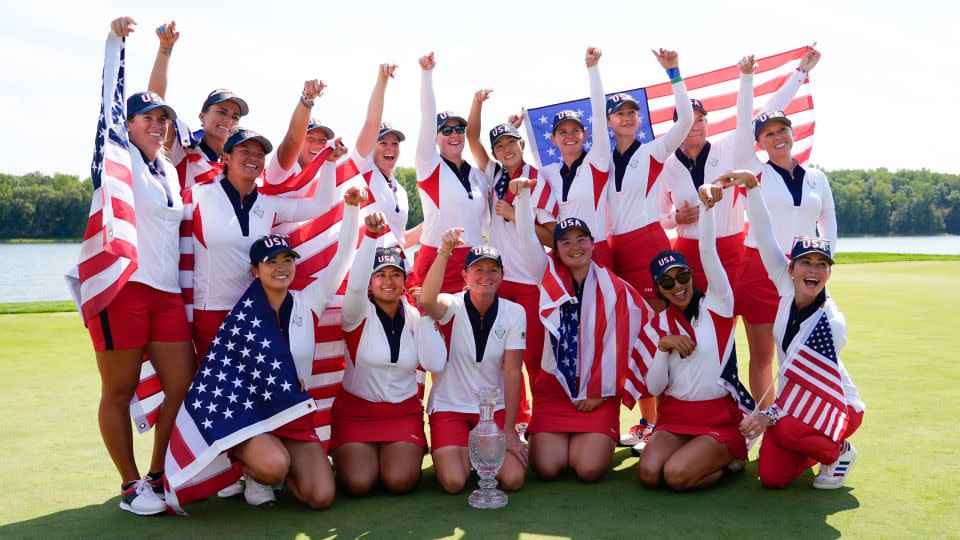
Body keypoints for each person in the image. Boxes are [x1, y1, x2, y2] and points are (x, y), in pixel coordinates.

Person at [82, 17, 196, 515]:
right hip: (123, 288)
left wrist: (168, 51)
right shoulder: (117, 156)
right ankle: (131, 486)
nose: (157, 124)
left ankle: (157, 474)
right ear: (126, 126)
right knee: (120, 388)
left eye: (163, 120)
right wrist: (116, 43)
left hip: (166, 293)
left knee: (180, 384)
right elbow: (114, 95)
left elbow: (162, 108)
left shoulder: (168, 167)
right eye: (146, 118)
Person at [724, 170, 864, 490]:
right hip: (795, 403)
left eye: (821, 264)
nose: (813, 270)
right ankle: (811, 447)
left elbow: (805, 383)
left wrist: (768, 416)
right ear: (791, 268)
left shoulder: (831, 323)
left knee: (785, 430)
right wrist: (754, 186)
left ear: (828, 271)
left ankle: (837, 451)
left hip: (835, 404)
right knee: (772, 477)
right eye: (806, 262)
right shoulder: (786, 287)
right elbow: (762, 231)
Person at [226, 187, 364, 508]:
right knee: (272, 464)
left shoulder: (308, 301)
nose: (280, 267)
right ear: (255, 270)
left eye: (287, 259)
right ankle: (257, 470)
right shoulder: (241, 315)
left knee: (322, 496)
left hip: (297, 417)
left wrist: (352, 209)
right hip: (256, 419)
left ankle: (284, 470)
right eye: (270, 261)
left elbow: (343, 256)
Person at [511, 178, 651, 483]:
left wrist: (599, 392)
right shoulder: (546, 276)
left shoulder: (616, 290)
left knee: (587, 469)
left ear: (592, 243)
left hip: (598, 391)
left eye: (581, 239)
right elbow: (526, 240)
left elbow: (627, 342)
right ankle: (564, 437)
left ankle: (590, 434)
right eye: (566, 241)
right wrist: (522, 198)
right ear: (556, 249)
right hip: (555, 388)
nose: (575, 247)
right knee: (547, 468)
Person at [658, 49, 819, 292]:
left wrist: (801, 72)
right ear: (679, 125)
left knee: (728, 321)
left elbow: (769, 111)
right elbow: (660, 218)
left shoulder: (729, 147)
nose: (696, 125)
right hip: (688, 252)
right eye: (689, 120)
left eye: (701, 119)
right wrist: (675, 219)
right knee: (693, 322)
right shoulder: (666, 165)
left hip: (732, 249)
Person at [634, 184, 755, 491]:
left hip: (716, 417)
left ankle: (728, 462)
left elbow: (709, 253)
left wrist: (709, 210)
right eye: (667, 282)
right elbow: (654, 387)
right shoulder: (657, 325)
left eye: (682, 276)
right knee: (649, 473)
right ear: (659, 289)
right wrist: (664, 346)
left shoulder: (718, 304)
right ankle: (696, 458)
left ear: (691, 274)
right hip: (676, 417)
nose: (677, 286)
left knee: (675, 476)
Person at [734, 57, 836, 408]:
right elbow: (744, 118)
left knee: (798, 350)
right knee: (764, 355)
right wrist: (748, 78)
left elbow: (829, 225)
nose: (777, 137)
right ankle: (766, 420)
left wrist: (824, 266)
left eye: (782, 131)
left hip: (805, 270)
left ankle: (797, 416)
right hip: (759, 270)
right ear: (759, 142)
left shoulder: (817, 177)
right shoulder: (753, 171)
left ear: (793, 134)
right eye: (768, 134)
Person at [186, 129, 341, 362]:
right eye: (245, 151)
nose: (253, 158)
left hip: (255, 312)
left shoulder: (268, 204)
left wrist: (329, 163)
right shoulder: (197, 195)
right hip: (209, 312)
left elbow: (321, 205)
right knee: (214, 395)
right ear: (226, 157)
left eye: (259, 154)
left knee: (252, 394)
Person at [604, 48, 693, 450]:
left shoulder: (653, 151)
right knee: (638, 338)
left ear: (639, 119)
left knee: (666, 329)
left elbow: (687, 118)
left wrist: (674, 73)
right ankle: (647, 421)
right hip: (617, 250)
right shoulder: (601, 158)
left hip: (651, 247)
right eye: (619, 113)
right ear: (608, 121)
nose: (627, 118)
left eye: (632, 113)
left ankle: (672, 422)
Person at [330, 212, 447, 495]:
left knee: (399, 481)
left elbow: (435, 362)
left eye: (395, 274)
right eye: (380, 275)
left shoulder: (415, 316)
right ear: (370, 282)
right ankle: (355, 460)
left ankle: (390, 456)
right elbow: (354, 286)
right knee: (359, 484)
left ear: (405, 280)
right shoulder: (356, 313)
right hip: (356, 413)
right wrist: (370, 236)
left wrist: (428, 313)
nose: (388, 281)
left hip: (402, 413)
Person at [466, 90, 560, 433]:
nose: (507, 149)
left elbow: (552, 237)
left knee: (534, 354)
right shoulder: (493, 174)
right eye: (500, 146)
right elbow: (471, 137)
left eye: (512, 143)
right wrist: (477, 102)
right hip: (502, 281)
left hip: (533, 280)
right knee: (505, 355)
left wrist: (515, 216)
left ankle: (542, 420)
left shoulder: (538, 180)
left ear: (522, 144)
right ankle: (518, 419)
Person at [419, 234, 527, 493]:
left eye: (493, 270)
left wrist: (510, 430)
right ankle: (468, 449)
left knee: (513, 479)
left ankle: (476, 450)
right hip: (450, 407)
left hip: (493, 409)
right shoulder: (452, 304)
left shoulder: (514, 312)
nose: (486, 275)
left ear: (501, 275)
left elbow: (513, 373)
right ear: (465, 275)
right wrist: (444, 250)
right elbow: (426, 300)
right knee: (454, 482)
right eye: (478, 269)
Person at [524, 47, 612, 267]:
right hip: (563, 255)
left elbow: (600, 113)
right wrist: (513, 131)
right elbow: (514, 164)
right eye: (563, 132)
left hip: (598, 250)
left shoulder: (597, 161)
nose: (570, 136)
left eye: (575, 131)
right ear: (553, 139)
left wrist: (593, 69)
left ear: (585, 135)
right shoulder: (547, 172)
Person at [414, 52, 492, 292]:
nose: (454, 135)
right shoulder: (429, 166)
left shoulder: (478, 175)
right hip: (438, 259)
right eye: (446, 131)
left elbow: (490, 224)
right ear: (435, 137)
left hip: (475, 262)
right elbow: (428, 116)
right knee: (434, 328)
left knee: (473, 328)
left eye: (459, 129)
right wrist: (427, 74)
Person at [147, 21, 249, 190]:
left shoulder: (241, 161)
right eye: (222, 112)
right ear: (202, 116)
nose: (228, 120)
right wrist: (165, 49)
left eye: (235, 117)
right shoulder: (183, 147)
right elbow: (154, 103)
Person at [351, 63, 421, 249]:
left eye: (395, 144)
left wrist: (435, 218)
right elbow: (372, 122)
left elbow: (400, 241)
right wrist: (382, 81)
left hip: (392, 268)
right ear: (372, 146)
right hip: (365, 267)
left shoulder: (402, 191)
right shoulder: (362, 169)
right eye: (383, 143)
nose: (390, 148)